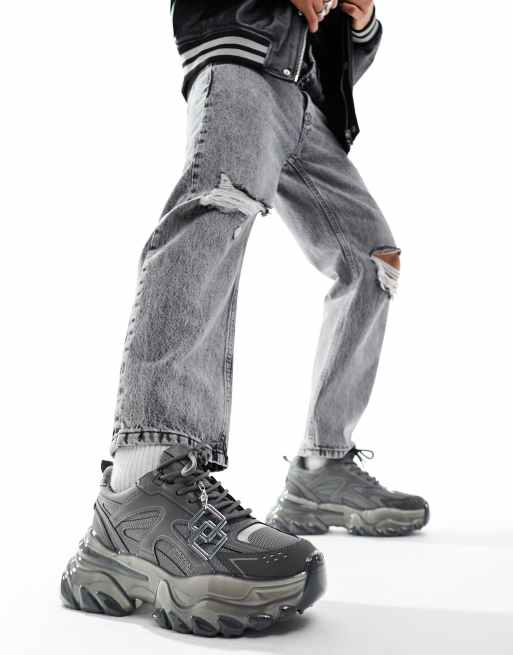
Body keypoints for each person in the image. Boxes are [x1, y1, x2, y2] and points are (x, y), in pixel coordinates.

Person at [61, 0, 429, 637]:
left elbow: (339, 61)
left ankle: (322, 470)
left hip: (305, 103)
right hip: (241, 61)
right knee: (216, 209)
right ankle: (142, 483)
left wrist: (361, 23)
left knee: (372, 262)